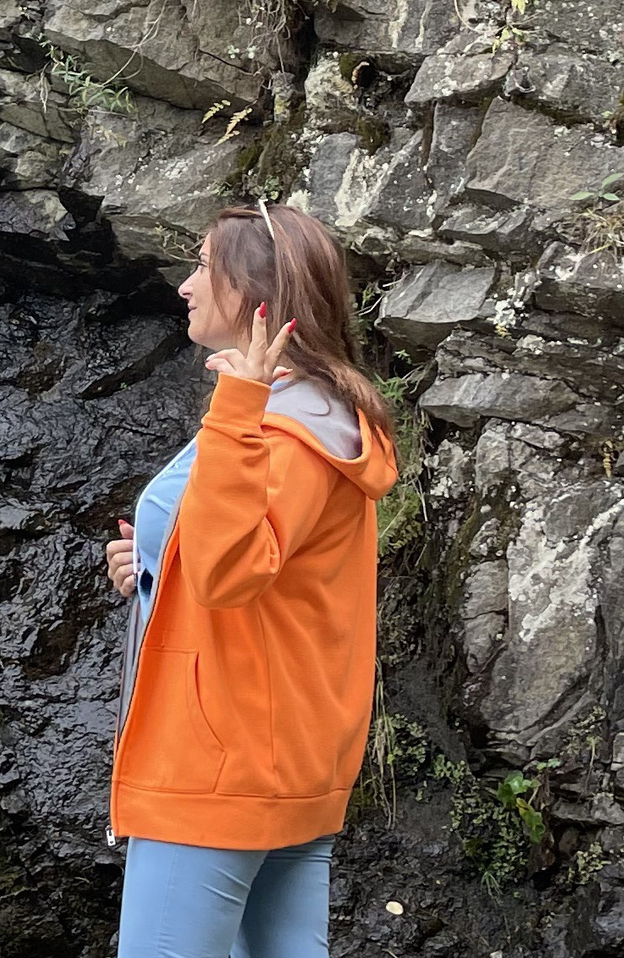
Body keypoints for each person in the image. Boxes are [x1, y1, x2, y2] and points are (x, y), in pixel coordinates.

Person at [102, 200, 401, 958]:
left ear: (251, 291)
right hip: (274, 755)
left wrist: (235, 407)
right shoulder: (315, 419)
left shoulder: (281, 427)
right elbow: (255, 560)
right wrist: (151, 562)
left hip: (217, 765)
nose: (185, 285)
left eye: (202, 266)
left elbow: (227, 572)